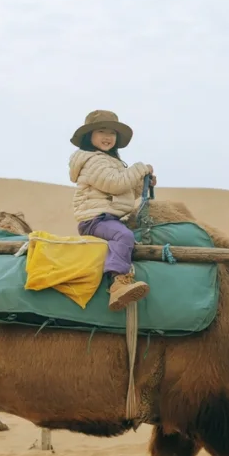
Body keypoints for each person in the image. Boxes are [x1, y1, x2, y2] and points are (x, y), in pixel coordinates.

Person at [69, 109, 154, 311]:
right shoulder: (93, 161)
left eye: (112, 133)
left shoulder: (110, 162)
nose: (108, 137)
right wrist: (139, 168)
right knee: (124, 236)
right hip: (95, 220)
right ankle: (118, 283)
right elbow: (114, 184)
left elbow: (122, 193)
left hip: (108, 218)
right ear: (90, 136)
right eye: (102, 131)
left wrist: (141, 183)